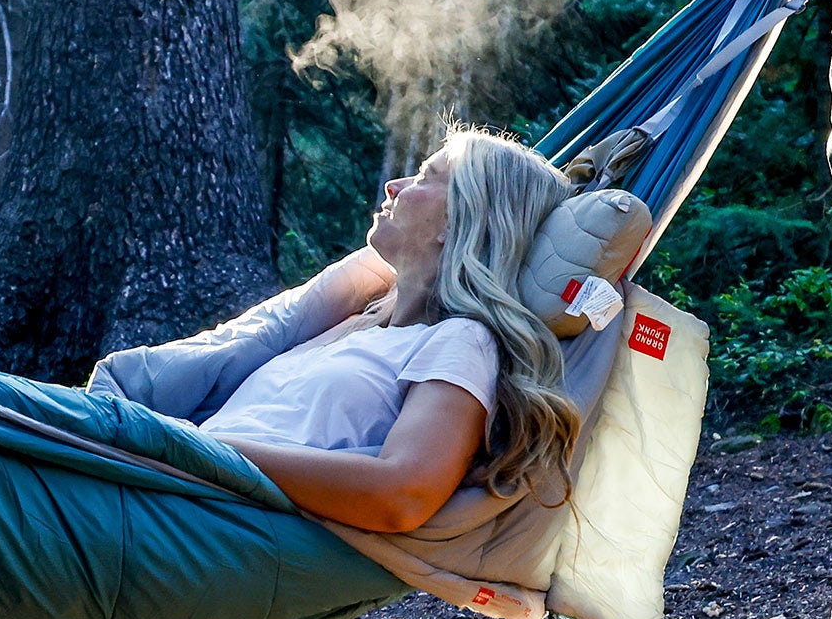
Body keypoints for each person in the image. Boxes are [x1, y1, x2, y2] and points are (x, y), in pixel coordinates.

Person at [202, 127, 582, 537]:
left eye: (424, 177)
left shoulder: (462, 340)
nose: (393, 186)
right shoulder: (355, 324)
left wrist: (202, 451)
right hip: (172, 482)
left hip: (212, 512)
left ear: (459, 220)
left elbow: (405, 494)